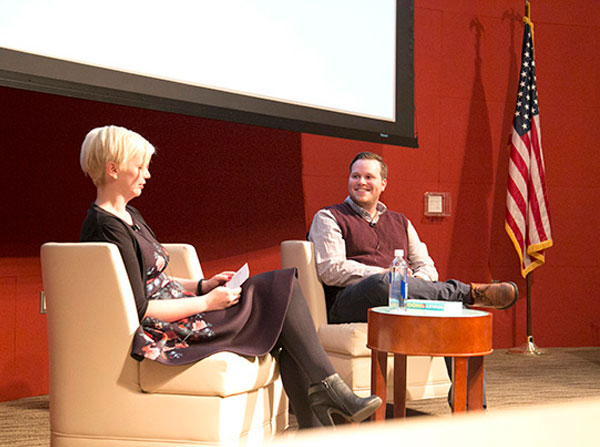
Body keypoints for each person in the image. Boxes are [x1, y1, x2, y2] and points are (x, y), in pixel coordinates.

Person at [78, 125, 381, 429]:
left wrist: (201, 285)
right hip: (169, 330)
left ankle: (318, 419)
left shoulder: (131, 217)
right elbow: (142, 307)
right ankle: (329, 398)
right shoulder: (105, 228)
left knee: (283, 305)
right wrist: (207, 302)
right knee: (284, 287)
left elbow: (155, 279)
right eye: (140, 166)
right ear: (113, 169)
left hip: (185, 308)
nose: (147, 174)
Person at [308, 151, 518, 324]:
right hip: (347, 303)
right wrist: (384, 274)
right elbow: (331, 270)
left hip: (401, 300)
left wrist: (412, 284)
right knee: (384, 283)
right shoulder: (329, 216)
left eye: (369, 177)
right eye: (355, 176)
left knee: (456, 310)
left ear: (383, 184)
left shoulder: (401, 222)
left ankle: (450, 377)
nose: (361, 182)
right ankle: (468, 292)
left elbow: (427, 267)